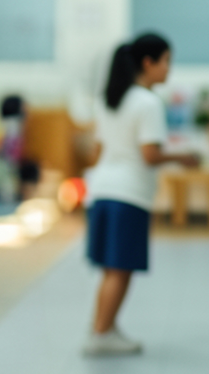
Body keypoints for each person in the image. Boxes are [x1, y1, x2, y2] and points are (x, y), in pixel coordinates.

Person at [83, 33, 200, 356]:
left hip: (102, 190)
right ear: (148, 63)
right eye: (166, 62)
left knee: (111, 268)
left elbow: (97, 149)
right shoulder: (147, 102)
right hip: (128, 194)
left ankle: (105, 326)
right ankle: (100, 334)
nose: (168, 70)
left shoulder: (109, 99)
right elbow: (149, 155)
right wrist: (183, 156)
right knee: (121, 269)